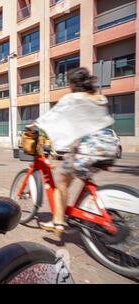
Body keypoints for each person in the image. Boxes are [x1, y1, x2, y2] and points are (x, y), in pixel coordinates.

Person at [30, 67, 115, 237]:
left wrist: (33, 127)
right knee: (76, 176)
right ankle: (69, 213)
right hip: (110, 146)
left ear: (72, 83)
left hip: (89, 148)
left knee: (61, 181)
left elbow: (52, 116)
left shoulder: (72, 98)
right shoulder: (100, 98)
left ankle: (58, 222)